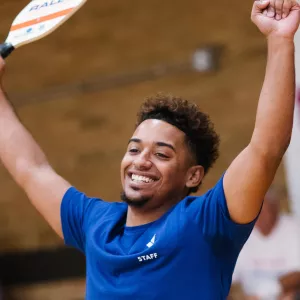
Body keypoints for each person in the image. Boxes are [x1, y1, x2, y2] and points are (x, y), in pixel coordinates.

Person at [0, 1, 299, 299]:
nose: (141, 161)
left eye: (161, 154)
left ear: (193, 176)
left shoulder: (206, 222)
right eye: (134, 149)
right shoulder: (95, 224)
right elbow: (31, 168)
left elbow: (266, 149)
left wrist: (280, 39)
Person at [232, 188, 300, 300]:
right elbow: (228, 276)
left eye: (262, 211)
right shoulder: (242, 234)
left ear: (275, 208)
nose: (258, 217)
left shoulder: (294, 228)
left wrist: (268, 292)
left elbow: (298, 273)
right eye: (253, 212)